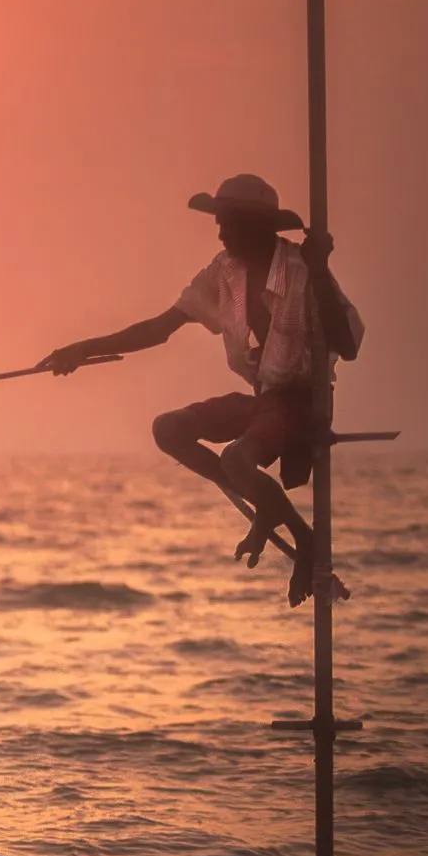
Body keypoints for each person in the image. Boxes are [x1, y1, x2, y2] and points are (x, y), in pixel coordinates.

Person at [40, 174, 363, 605]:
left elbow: (347, 343)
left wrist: (321, 270)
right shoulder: (224, 272)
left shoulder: (303, 270)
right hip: (266, 401)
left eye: (228, 221)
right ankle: (264, 502)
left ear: (256, 225)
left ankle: (305, 539)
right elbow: (160, 327)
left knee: (236, 457)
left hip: (303, 404)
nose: (220, 231)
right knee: (168, 429)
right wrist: (82, 349)